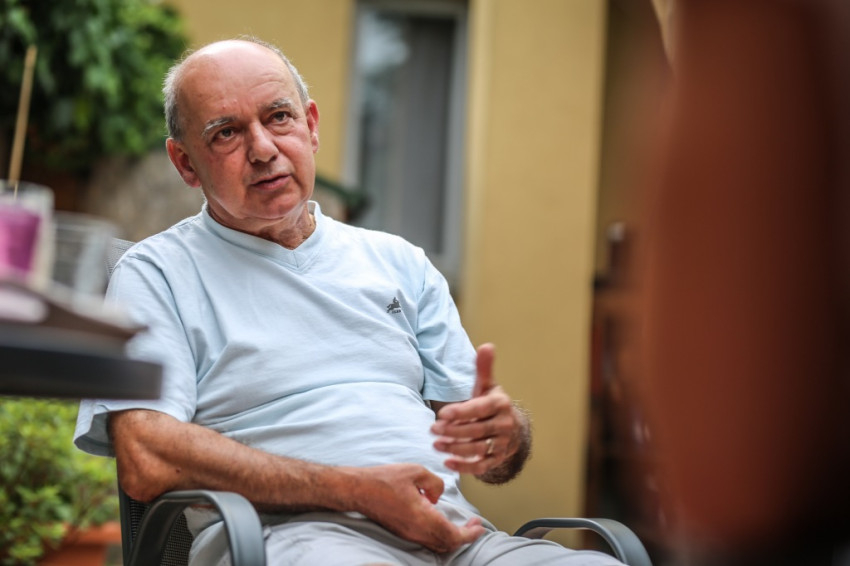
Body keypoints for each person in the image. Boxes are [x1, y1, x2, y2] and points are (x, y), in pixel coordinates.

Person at [74, 37, 625, 566]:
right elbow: (147, 456)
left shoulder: (400, 262)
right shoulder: (156, 274)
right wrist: (355, 491)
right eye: (226, 133)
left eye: (279, 117)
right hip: (287, 539)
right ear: (186, 163)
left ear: (311, 125)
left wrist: (503, 438)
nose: (263, 149)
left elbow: (489, 461)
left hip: (456, 538)